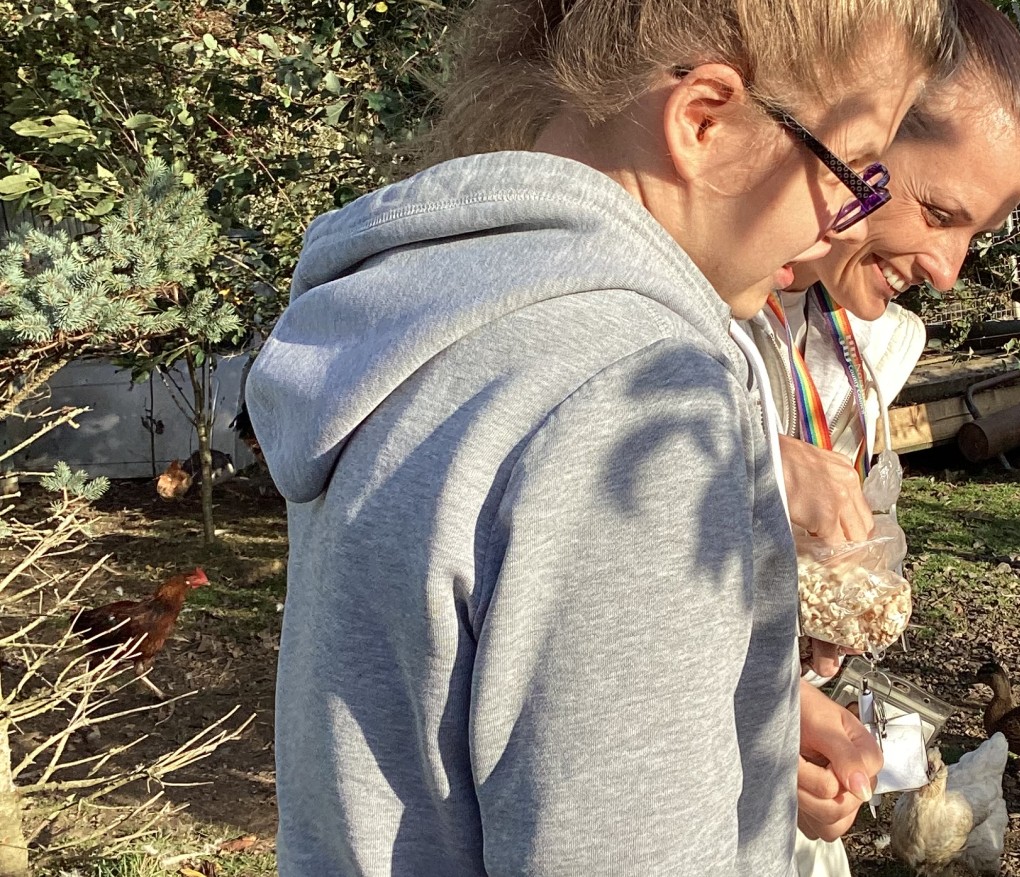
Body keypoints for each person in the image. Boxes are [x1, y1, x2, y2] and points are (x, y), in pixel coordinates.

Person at [245, 0, 960, 874]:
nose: (841, 221)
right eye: (849, 171)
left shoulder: (434, 315)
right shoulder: (636, 393)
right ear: (704, 118)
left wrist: (734, 706)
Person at [741, 1, 1020, 871]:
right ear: (858, 144)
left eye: (977, 235)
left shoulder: (868, 345)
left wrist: (789, 687)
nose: (950, 271)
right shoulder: (676, 321)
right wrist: (751, 458)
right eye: (939, 211)